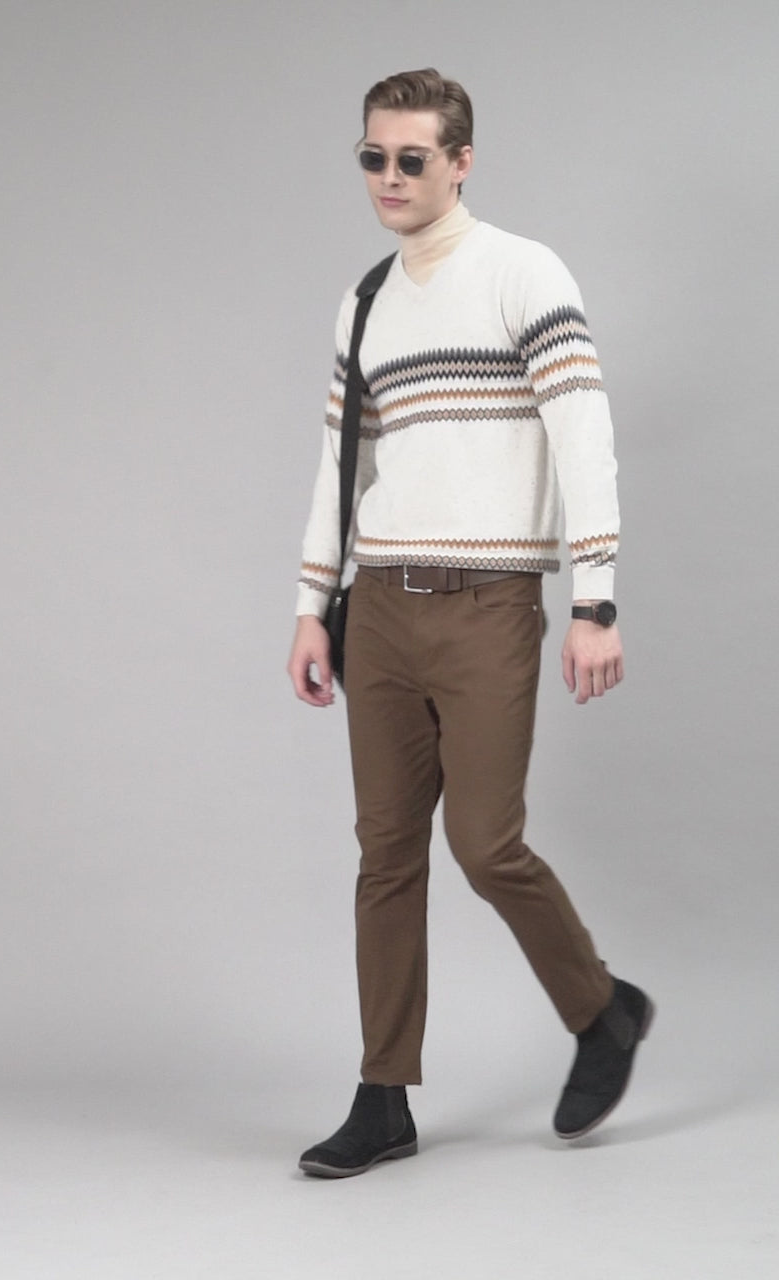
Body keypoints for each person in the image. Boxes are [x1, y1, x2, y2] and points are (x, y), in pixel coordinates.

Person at [287, 68, 653, 1179]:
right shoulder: (364, 301)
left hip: (491, 602)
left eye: (412, 159)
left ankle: (600, 1009)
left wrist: (594, 599)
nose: (389, 178)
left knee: (486, 841)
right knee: (385, 853)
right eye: (373, 157)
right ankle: (382, 1094)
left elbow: (583, 437)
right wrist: (312, 607)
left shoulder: (522, 272)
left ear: (460, 161)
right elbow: (340, 465)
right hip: (380, 609)